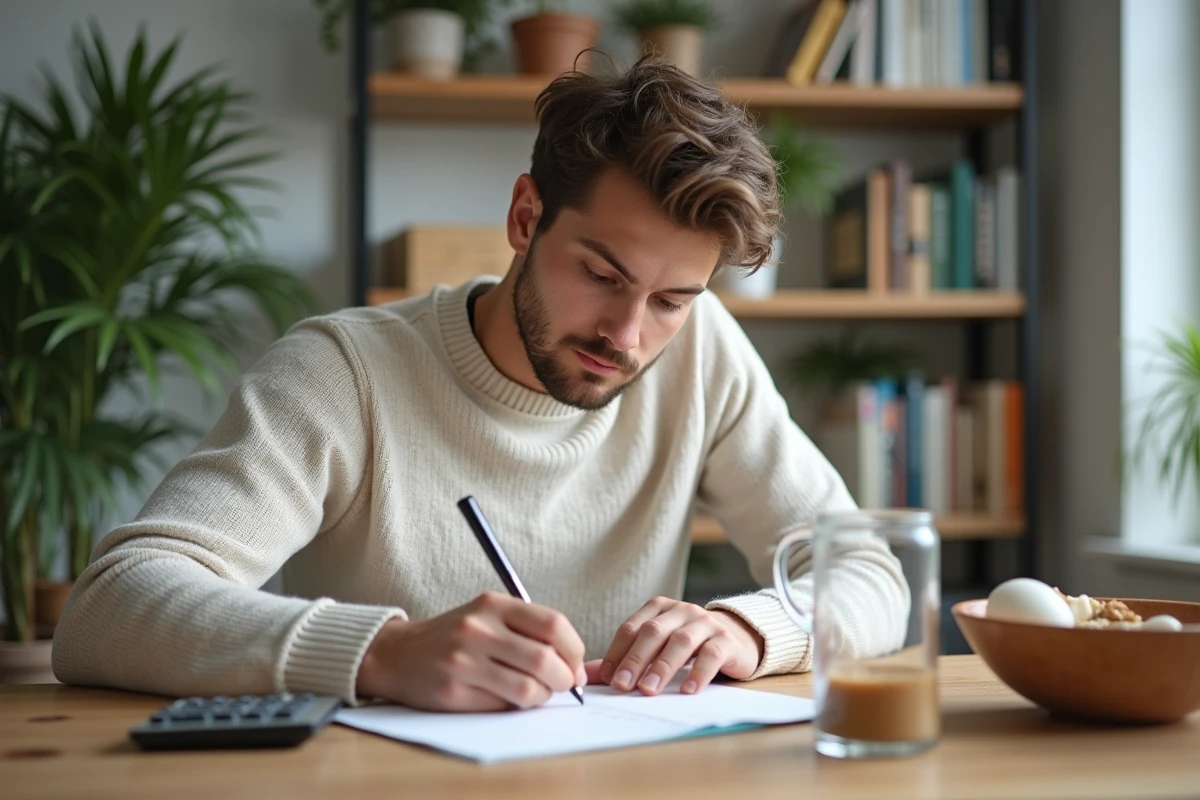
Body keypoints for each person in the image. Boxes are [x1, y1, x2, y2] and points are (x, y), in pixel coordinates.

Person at [52, 55, 909, 712]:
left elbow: (869, 571)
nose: (629, 333)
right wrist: (379, 653)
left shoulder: (702, 352)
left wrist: (749, 628)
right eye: (603, 275)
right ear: (526, 217)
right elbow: (111, 606)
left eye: (673, 300)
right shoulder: (342, 372)